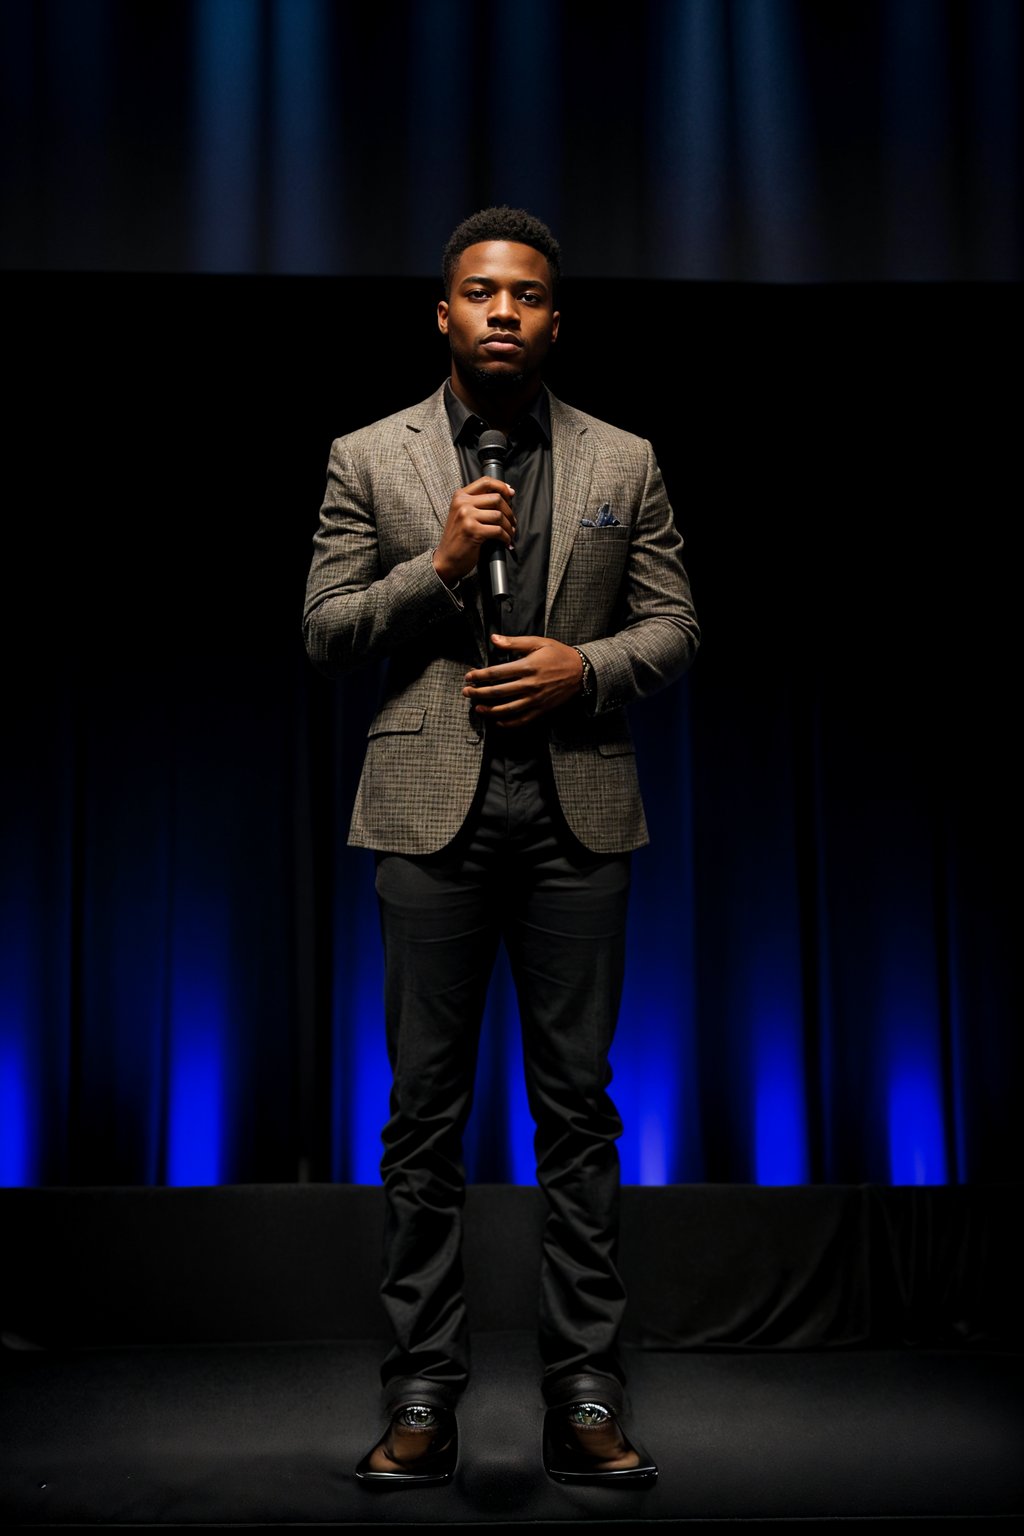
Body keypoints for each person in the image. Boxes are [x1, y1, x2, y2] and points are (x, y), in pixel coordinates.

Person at [302, 205, 700, 1486]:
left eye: (524, 295)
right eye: (479, 292)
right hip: (428, 818)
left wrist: (582, 669)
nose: (501, 312)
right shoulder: (370, 455)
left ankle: (584, 1390)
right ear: (444, 312)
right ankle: (422, 1390)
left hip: (576, 819)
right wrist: (441, 560)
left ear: (552, 318)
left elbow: (677, 628)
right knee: (423, 1117)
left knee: (576, 1116)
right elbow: (326, 631)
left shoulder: (622, 460)